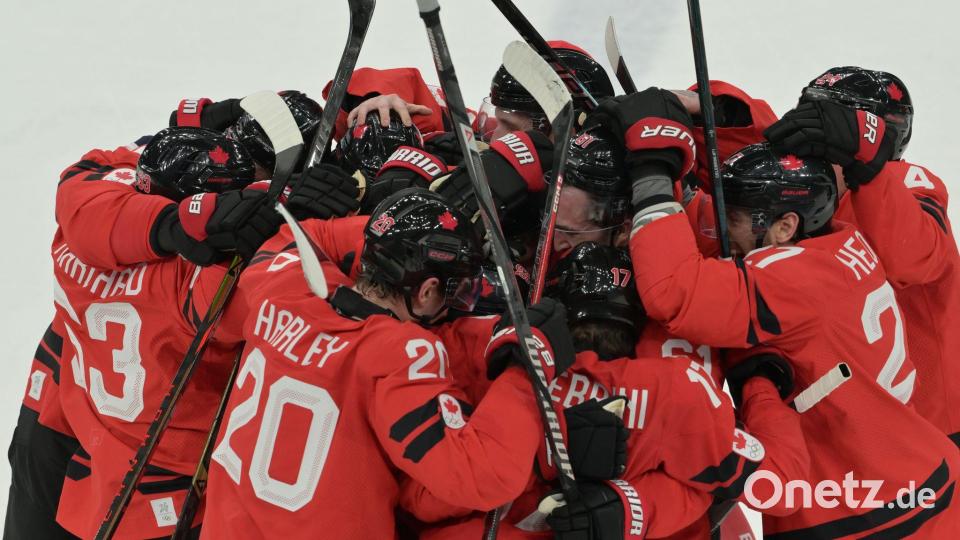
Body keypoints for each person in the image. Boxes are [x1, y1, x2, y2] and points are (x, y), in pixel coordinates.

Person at [593, 87, 959, 535]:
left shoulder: (792, 276)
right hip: (919, 481)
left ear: (785, 226)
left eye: (737, 217)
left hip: (865, 513)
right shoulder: (838, 235)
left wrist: (652, 170)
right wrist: (717, 115)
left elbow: (675, 292)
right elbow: (765, 184)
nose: (722, 229)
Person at [200, 189, 602, 539]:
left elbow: (298, 233)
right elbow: (482, 477)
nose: (455, 306)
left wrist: (395, 232)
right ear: (426, 292)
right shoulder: (399, 352)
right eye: (454, 291)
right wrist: (526, 366)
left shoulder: (280, 287)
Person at [50, 126, 284, 539]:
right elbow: (281, 276)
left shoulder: (71, 243)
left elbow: (87, 176)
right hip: (175, 497)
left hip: (97, 473)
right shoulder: (189, 286)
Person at [765, 66, 960, 446]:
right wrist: (725, 113)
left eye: (828, 124)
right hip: (856, 423)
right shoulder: (816, 189)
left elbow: (915, 257)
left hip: (934, 427)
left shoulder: (908, 183)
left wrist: (866, 168)